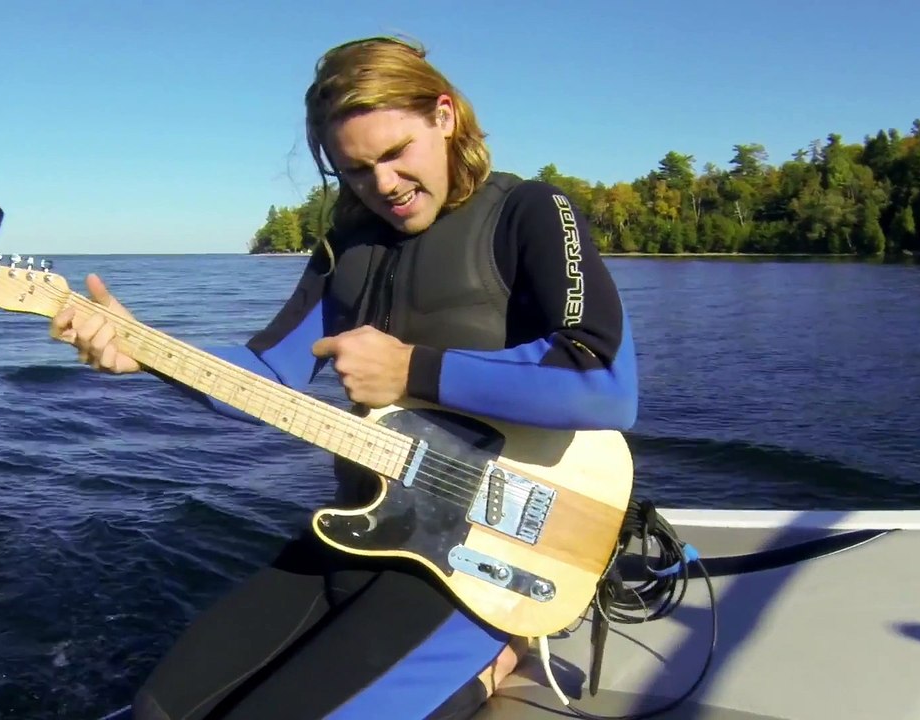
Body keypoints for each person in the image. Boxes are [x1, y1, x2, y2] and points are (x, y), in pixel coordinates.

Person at [50, 35, 638, 720]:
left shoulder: (530, 212)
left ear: (444, 116)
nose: (383, 185)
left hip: (482, 563)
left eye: (396, 153)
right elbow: (270, 372)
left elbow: (604, 383)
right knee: (157, 710)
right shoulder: (347, 246)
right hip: (365, 526)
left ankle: (493, 657)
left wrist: (411, 369)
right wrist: (144, 351)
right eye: (356, 171)